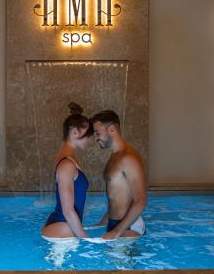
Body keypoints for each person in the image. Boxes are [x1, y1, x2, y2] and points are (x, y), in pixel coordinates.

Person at [91, 110, 147, 240]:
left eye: (97, 133)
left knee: (118, 259)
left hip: (128, 226)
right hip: (115, 224)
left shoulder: (128, 158)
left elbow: (141, 201)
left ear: (111, 130)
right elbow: (116, 197)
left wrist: (117, 231)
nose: (96, 138)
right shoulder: (114, 156)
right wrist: (103, 222)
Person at [41, 102, 93, 239]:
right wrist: (86, 239)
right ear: (75, 132)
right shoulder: (66, 165)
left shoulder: (68, 159)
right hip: (61, 229)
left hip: (64, 229)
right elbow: (68, 211)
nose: (90, 139)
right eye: (88, 134)